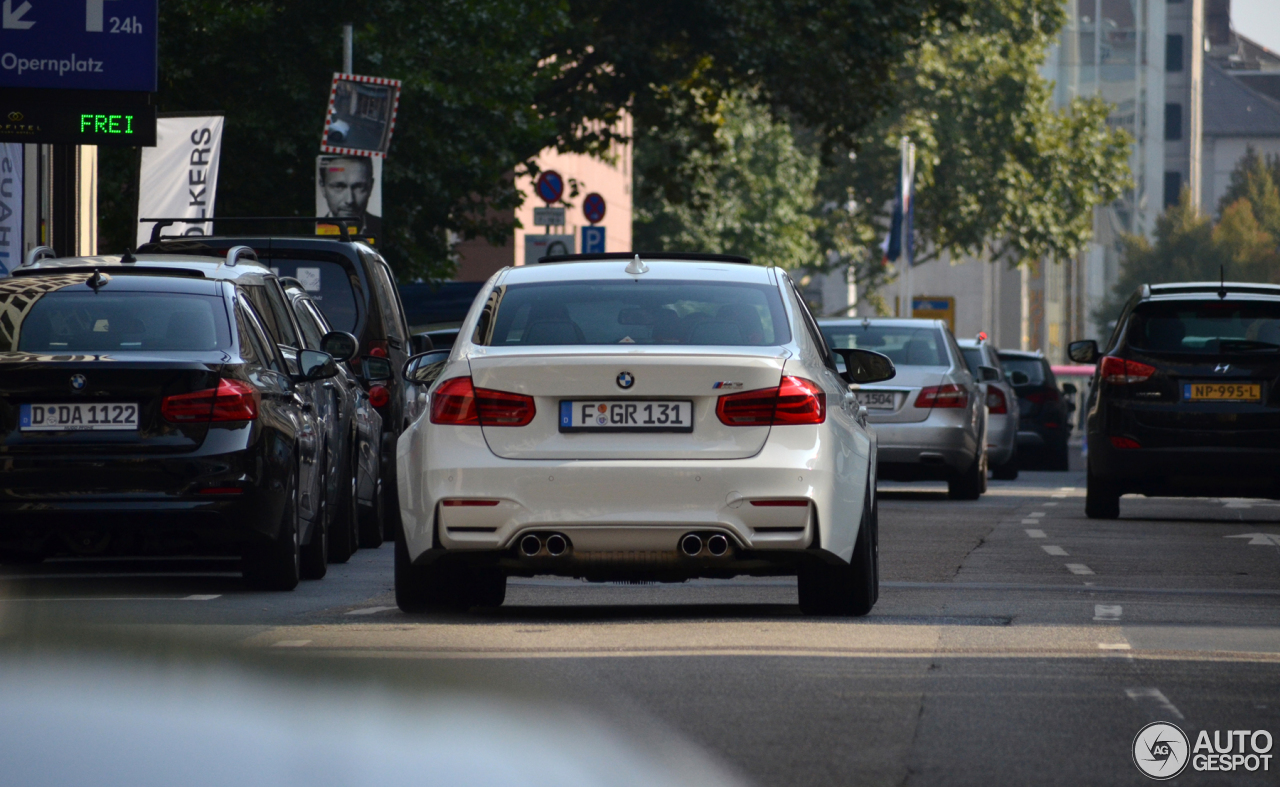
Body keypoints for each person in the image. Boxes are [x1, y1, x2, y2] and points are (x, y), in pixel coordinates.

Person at [317, 156, 381, 238]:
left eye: (359, 187)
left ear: (371, 187)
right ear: (322, 187)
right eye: (339, 187)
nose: (350, 200)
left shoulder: (382, 229)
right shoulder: (311, 230)